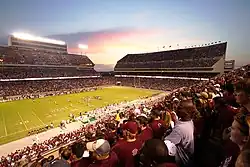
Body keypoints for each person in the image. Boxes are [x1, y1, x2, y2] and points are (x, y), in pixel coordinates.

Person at [164, 100, 196, 167]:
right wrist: (175, 121)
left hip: (183, 161)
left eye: (179, 108)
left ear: (185, 112)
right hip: (189, 156)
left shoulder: (180, 129)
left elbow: (165, 144)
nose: (177, 109)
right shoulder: (189, 121)